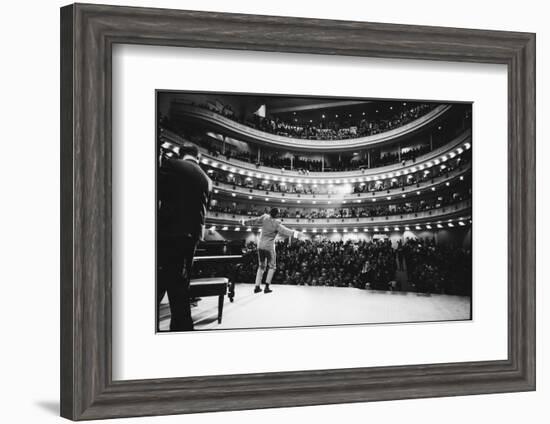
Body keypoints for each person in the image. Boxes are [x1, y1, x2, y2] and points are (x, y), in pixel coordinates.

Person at [157, 143, 212, 331]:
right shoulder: (206, 179)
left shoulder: (172, 165)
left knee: (166, 280)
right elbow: (204, 210)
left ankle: (181, 327)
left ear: (181, 154)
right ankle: (181, 327)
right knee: (179, 281)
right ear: (198, 157)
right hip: (192, 237)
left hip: (169, 232)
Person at [242, 208, 301, 293]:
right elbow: (286, 231)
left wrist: (244, 222)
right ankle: (266, 287)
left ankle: (257, 287)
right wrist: (297, 234)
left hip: (260, 246)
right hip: (269, 247)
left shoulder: (264, 217)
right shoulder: (277, 223)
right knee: (272, 266)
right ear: (277, 214)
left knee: (261, 266)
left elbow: (254, 220)